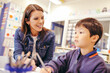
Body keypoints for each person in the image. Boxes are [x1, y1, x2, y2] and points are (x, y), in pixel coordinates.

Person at [40, 18, 107, 73]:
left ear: (94, 38)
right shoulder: (71, 54)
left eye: (80, 32)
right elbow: (58, 63)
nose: (76, 36)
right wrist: (50, 68)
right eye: (75, 32)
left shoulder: (99, 64)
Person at [13, 4, 55, 70]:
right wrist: (25, 60)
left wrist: (39, 69)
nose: (41, 21)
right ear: (27, 21)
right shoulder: (19, 32)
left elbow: (48, 59)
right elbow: (17, 53)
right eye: (36, 19)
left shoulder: (50, 35)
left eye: (42, 18)